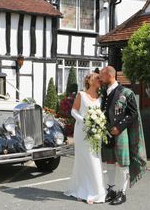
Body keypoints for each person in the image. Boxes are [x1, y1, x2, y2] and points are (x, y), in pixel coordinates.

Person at [99, 66, 147, 205]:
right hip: (106, 132)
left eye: (102, 75)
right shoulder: (104, 92)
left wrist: (119, 127)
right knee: (109, 161)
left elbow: (133, 114)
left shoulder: (126, 92)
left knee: (122, 162)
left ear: (109, 75)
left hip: (120, 133)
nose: (100, 78)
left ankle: (122, 192)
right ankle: (111, 189)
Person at [64, 73, 106, 204]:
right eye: (96, 77)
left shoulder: (101, 97)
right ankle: (81, 190)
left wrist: (99, 123)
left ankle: (96, 192)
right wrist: (84, 120)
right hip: (82, 131)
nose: (99, 79)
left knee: (94, 159)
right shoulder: (81, 95)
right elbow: (73, 111)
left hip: (95, 132)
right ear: (89, 80)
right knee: (83, 160)